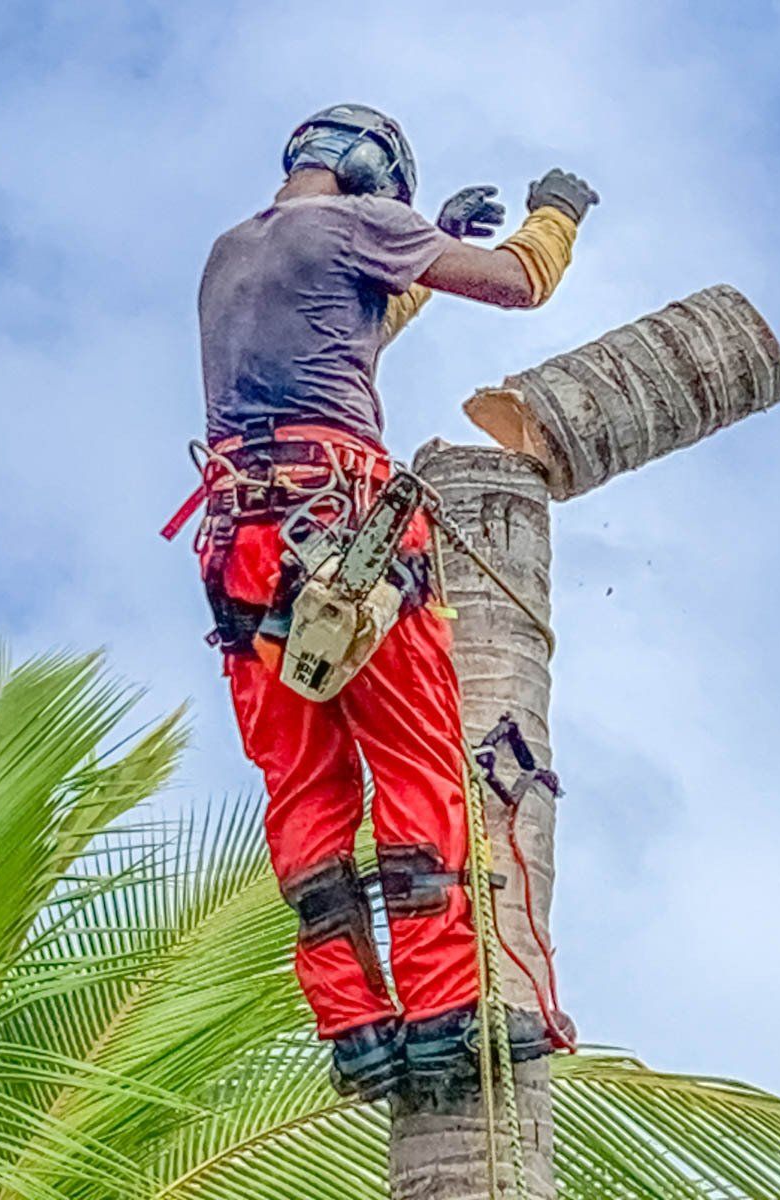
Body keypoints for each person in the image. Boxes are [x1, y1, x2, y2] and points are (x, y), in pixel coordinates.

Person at [194, 103, 597, 1100]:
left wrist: (434, 240)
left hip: (242, 545)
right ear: (376, 176)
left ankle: (359, 1028)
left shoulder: (232, 250)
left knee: (306, 788)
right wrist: (556, 215)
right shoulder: (362, 226)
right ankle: (450, 1011)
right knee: (418, 765)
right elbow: (522, 285)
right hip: (344, 523)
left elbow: (348, 323)